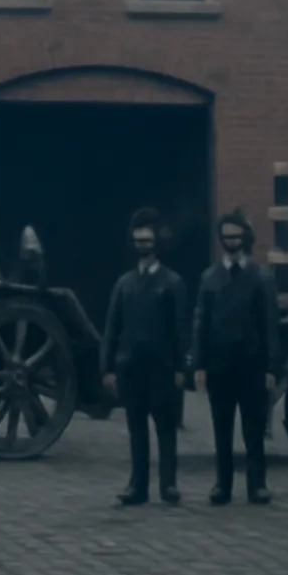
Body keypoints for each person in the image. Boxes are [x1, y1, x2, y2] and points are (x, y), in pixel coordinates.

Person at [101, 207, 189, 506]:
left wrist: (180, 367)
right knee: (136, 429)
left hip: (162, 369)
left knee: (165, 428)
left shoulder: (173, 283)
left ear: (157, 244)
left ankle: (169, 484)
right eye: (138, 242)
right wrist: (108, 368)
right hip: (130, 369)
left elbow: (181, 330)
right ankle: (137, 486)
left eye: (148, 241)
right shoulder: (124, 284)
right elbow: (112, 328)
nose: (143, 247)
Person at [192, 208, 279, 505]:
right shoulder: (209, 278)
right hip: (219, 365)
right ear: (220, 239)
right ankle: (222, 484)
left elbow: (270, 324)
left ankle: (257, 484)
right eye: (226, 235)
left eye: (236, 235)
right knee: (222, 428)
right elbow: (200, 323)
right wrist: (199, 364)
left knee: (253, 428)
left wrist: (271, 366)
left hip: (252, 364)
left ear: (245, 237)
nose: (231, 240)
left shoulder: (261, 276)